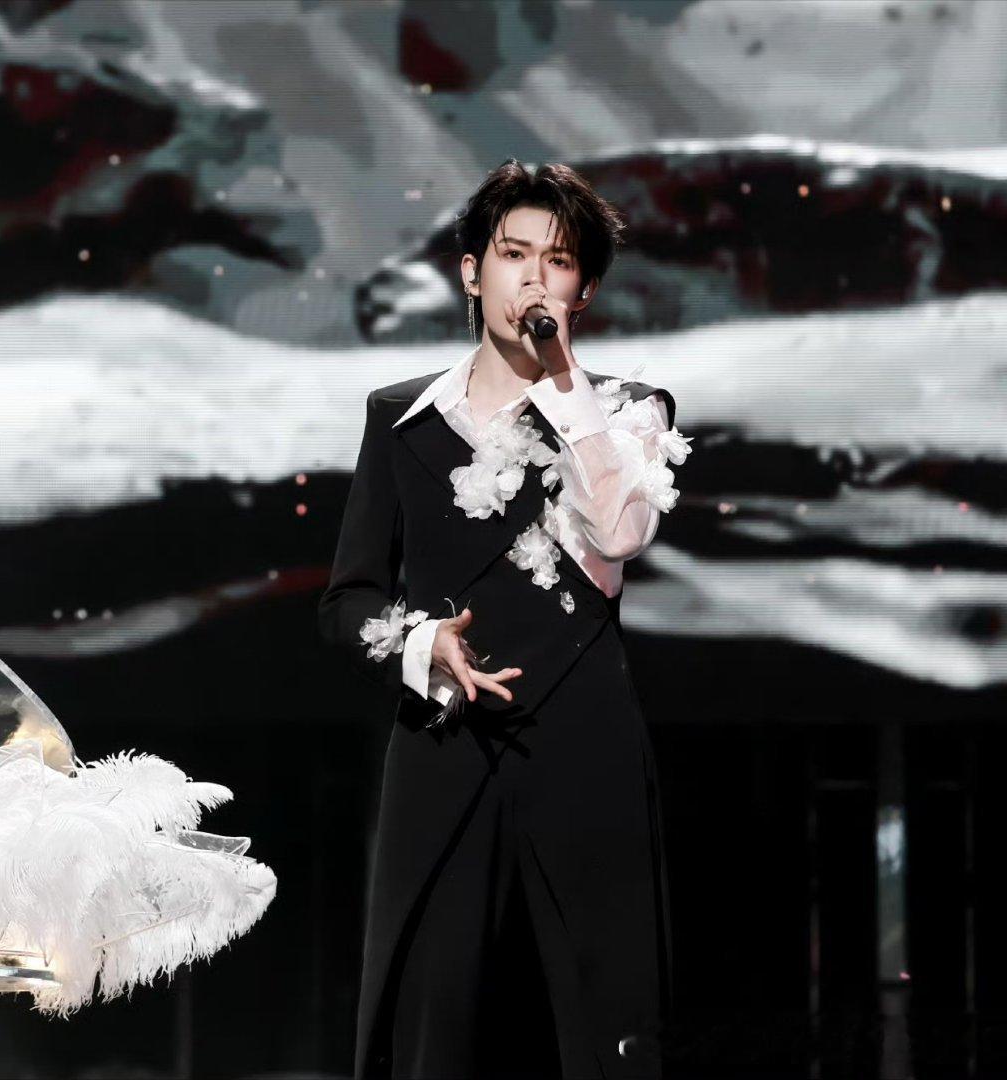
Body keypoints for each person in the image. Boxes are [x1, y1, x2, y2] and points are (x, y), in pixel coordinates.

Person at [318, 160, 693, 1079]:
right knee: (433, 1024)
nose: (533, 277)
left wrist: (564, 384)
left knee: (600, 1022)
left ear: (583, 290)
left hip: (582, 746)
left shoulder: (628, 414)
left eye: (557, 262)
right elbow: (348, 599)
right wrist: (422, 643)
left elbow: (622, 532)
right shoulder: (402, 420)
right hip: (445, 744)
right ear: (471, 271)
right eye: (514, 253)